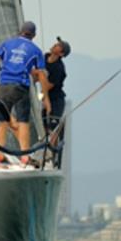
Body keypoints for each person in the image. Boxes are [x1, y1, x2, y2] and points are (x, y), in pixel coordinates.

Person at [0, 21, 51, 165]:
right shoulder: (36, 50)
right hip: (21, 86)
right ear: (33, 35)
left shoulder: (7, 44)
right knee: (23, 120)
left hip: (4, 84)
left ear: (20, 31)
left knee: (3, 119)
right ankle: (24, 155)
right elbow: (41, 74)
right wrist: (46, 98)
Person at [44, 36, 71, 166]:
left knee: (52, 130)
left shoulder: (59, 68)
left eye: (59, 45)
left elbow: (49, 85)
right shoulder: (44, 57)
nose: (55, 45)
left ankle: (51, 158)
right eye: (56, 43)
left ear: (61, 53)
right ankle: (43, 153)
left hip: (56, 100)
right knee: (42, 126)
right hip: (43, 97)